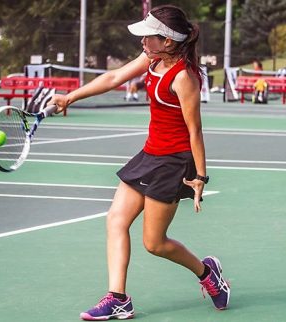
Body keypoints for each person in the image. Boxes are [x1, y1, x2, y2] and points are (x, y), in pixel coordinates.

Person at [48, 5, 230, 320]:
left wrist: (201, 177)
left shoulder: (183, 78)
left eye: (149, 36)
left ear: (169, 42)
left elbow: (195, 131)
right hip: (149, 155)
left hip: (173, 163)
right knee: (115, 220)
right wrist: (71, 97)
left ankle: (207, 272)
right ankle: (118, 298)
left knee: (154, 243)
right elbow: (114, 76)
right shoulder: (151, 59)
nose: (143, 41)